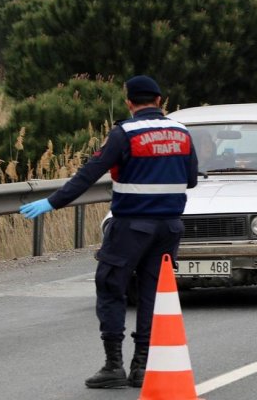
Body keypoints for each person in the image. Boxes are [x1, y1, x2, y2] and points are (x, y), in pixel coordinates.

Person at [19, 75, 198, 388]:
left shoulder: (124, 133)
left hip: (131, 226)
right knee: (152, 294)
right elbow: (192, 179)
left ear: (130, 103)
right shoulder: (182, 132)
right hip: (170, 227)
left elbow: (88, 174)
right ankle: (142, 365)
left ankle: (113, 364)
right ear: (159, 101)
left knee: (111, 286)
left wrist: (52, 202)